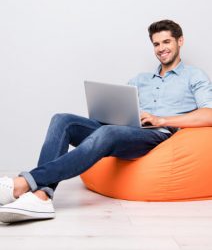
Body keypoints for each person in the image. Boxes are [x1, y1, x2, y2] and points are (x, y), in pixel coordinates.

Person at [1, 19, 212, 224]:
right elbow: (123, 108)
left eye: (166, 42)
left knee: (107, 133)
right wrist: (110, 115)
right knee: (62, 120)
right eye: (156, 44)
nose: (161, 48)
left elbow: (209, 114)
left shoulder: (194, 76)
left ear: (180, 41)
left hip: (157, 134)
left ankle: (23, 183)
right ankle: (42, 195)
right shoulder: (140, 79)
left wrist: (161, 119)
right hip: (124, 129)